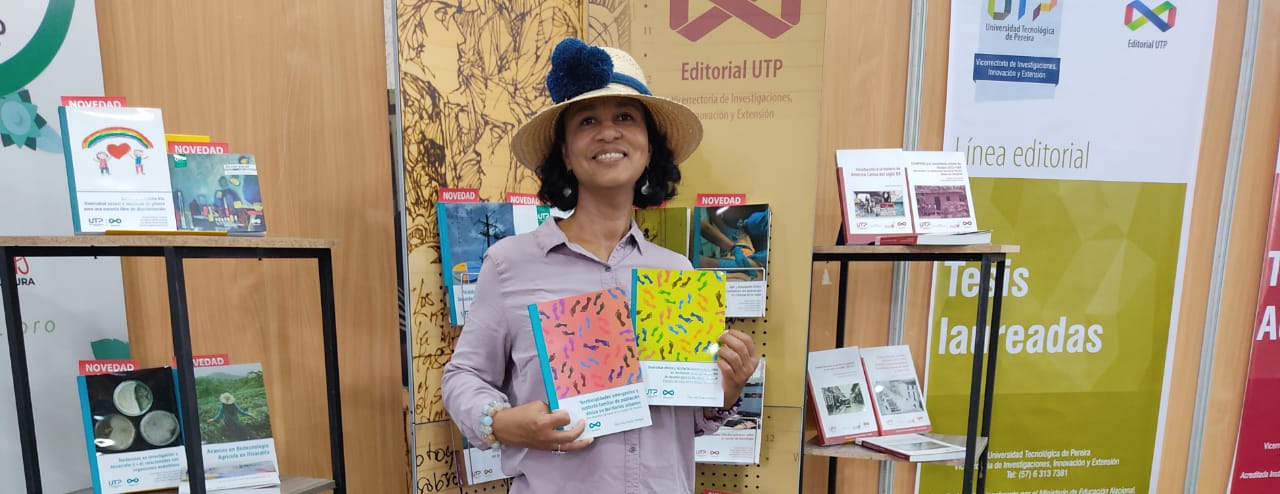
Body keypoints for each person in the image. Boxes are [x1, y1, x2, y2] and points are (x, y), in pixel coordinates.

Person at [441, 37, 759, 493]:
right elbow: (463, 375)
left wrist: (725, 389)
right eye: (587, 120)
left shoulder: (676, 274)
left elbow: (686, 418)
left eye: (625, 117)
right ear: (565, 153)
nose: (608, 132)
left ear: (649, 147)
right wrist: (503, 422)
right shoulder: (510, 264)